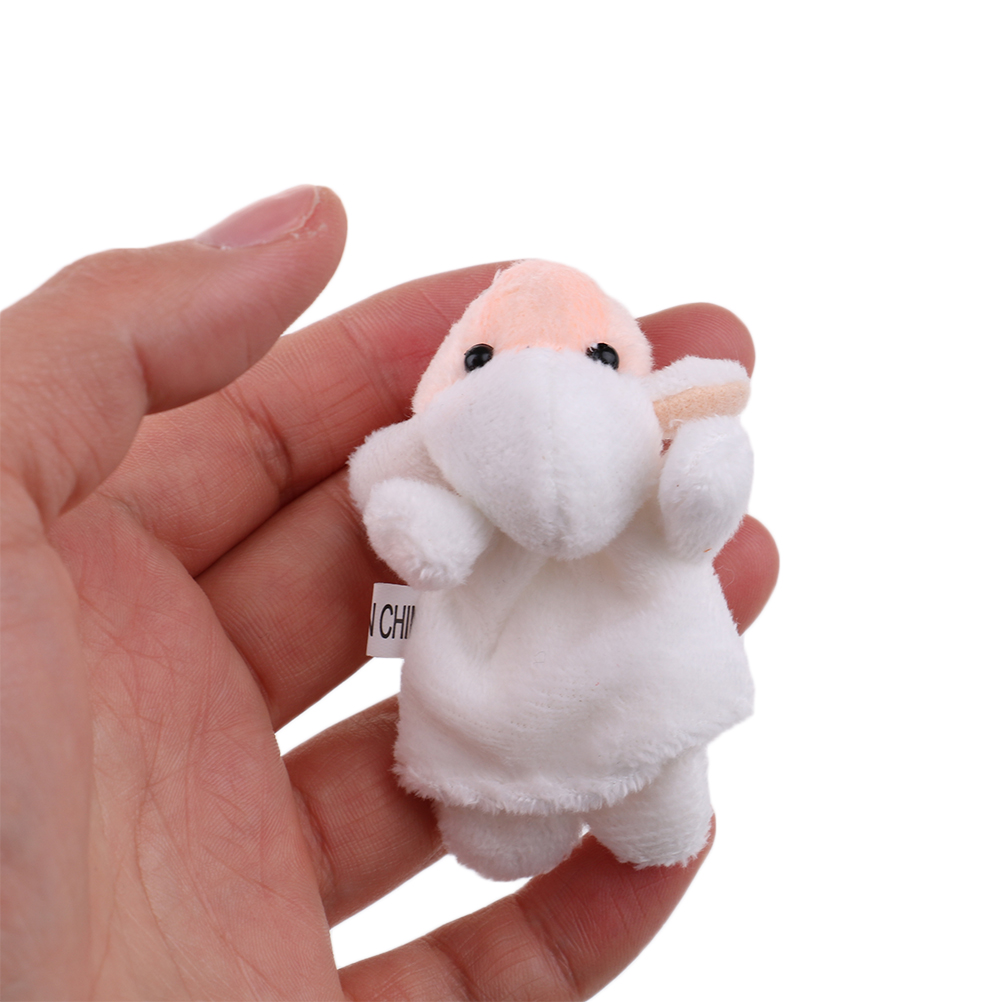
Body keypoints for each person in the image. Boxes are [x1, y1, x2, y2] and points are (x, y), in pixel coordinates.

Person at [1, 185, 779, 1000]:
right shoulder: (439, 468)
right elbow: (411, 522)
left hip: (640, 676)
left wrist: (705, 476)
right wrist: (422, 528)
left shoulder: (659, 448)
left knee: (659, 805)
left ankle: (632, 791)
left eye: (599, 359)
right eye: (481, 361)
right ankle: (519, 802)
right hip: (503, 682)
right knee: (505, 831)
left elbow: (703, 489)